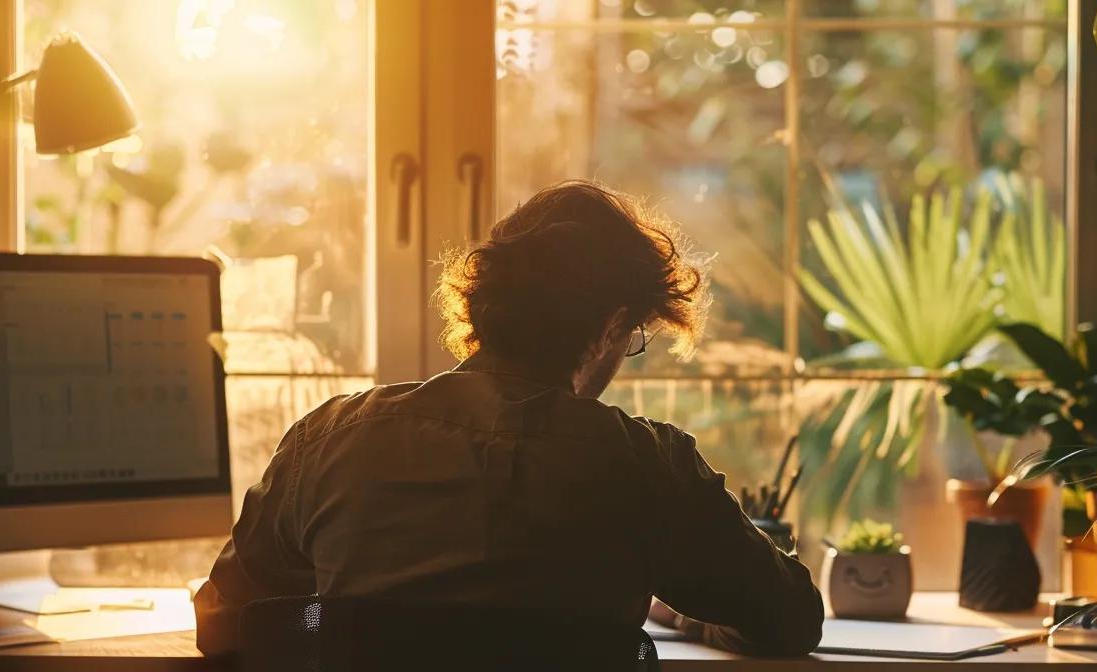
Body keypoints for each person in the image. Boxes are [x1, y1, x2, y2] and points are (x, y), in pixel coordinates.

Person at [193, 180, 823, 657]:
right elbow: (792, 619)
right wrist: (688, 613)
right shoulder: (646, 466)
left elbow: (220, 622)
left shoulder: (329, 442)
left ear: (482, 303)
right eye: (633, 335)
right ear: (609, 328)